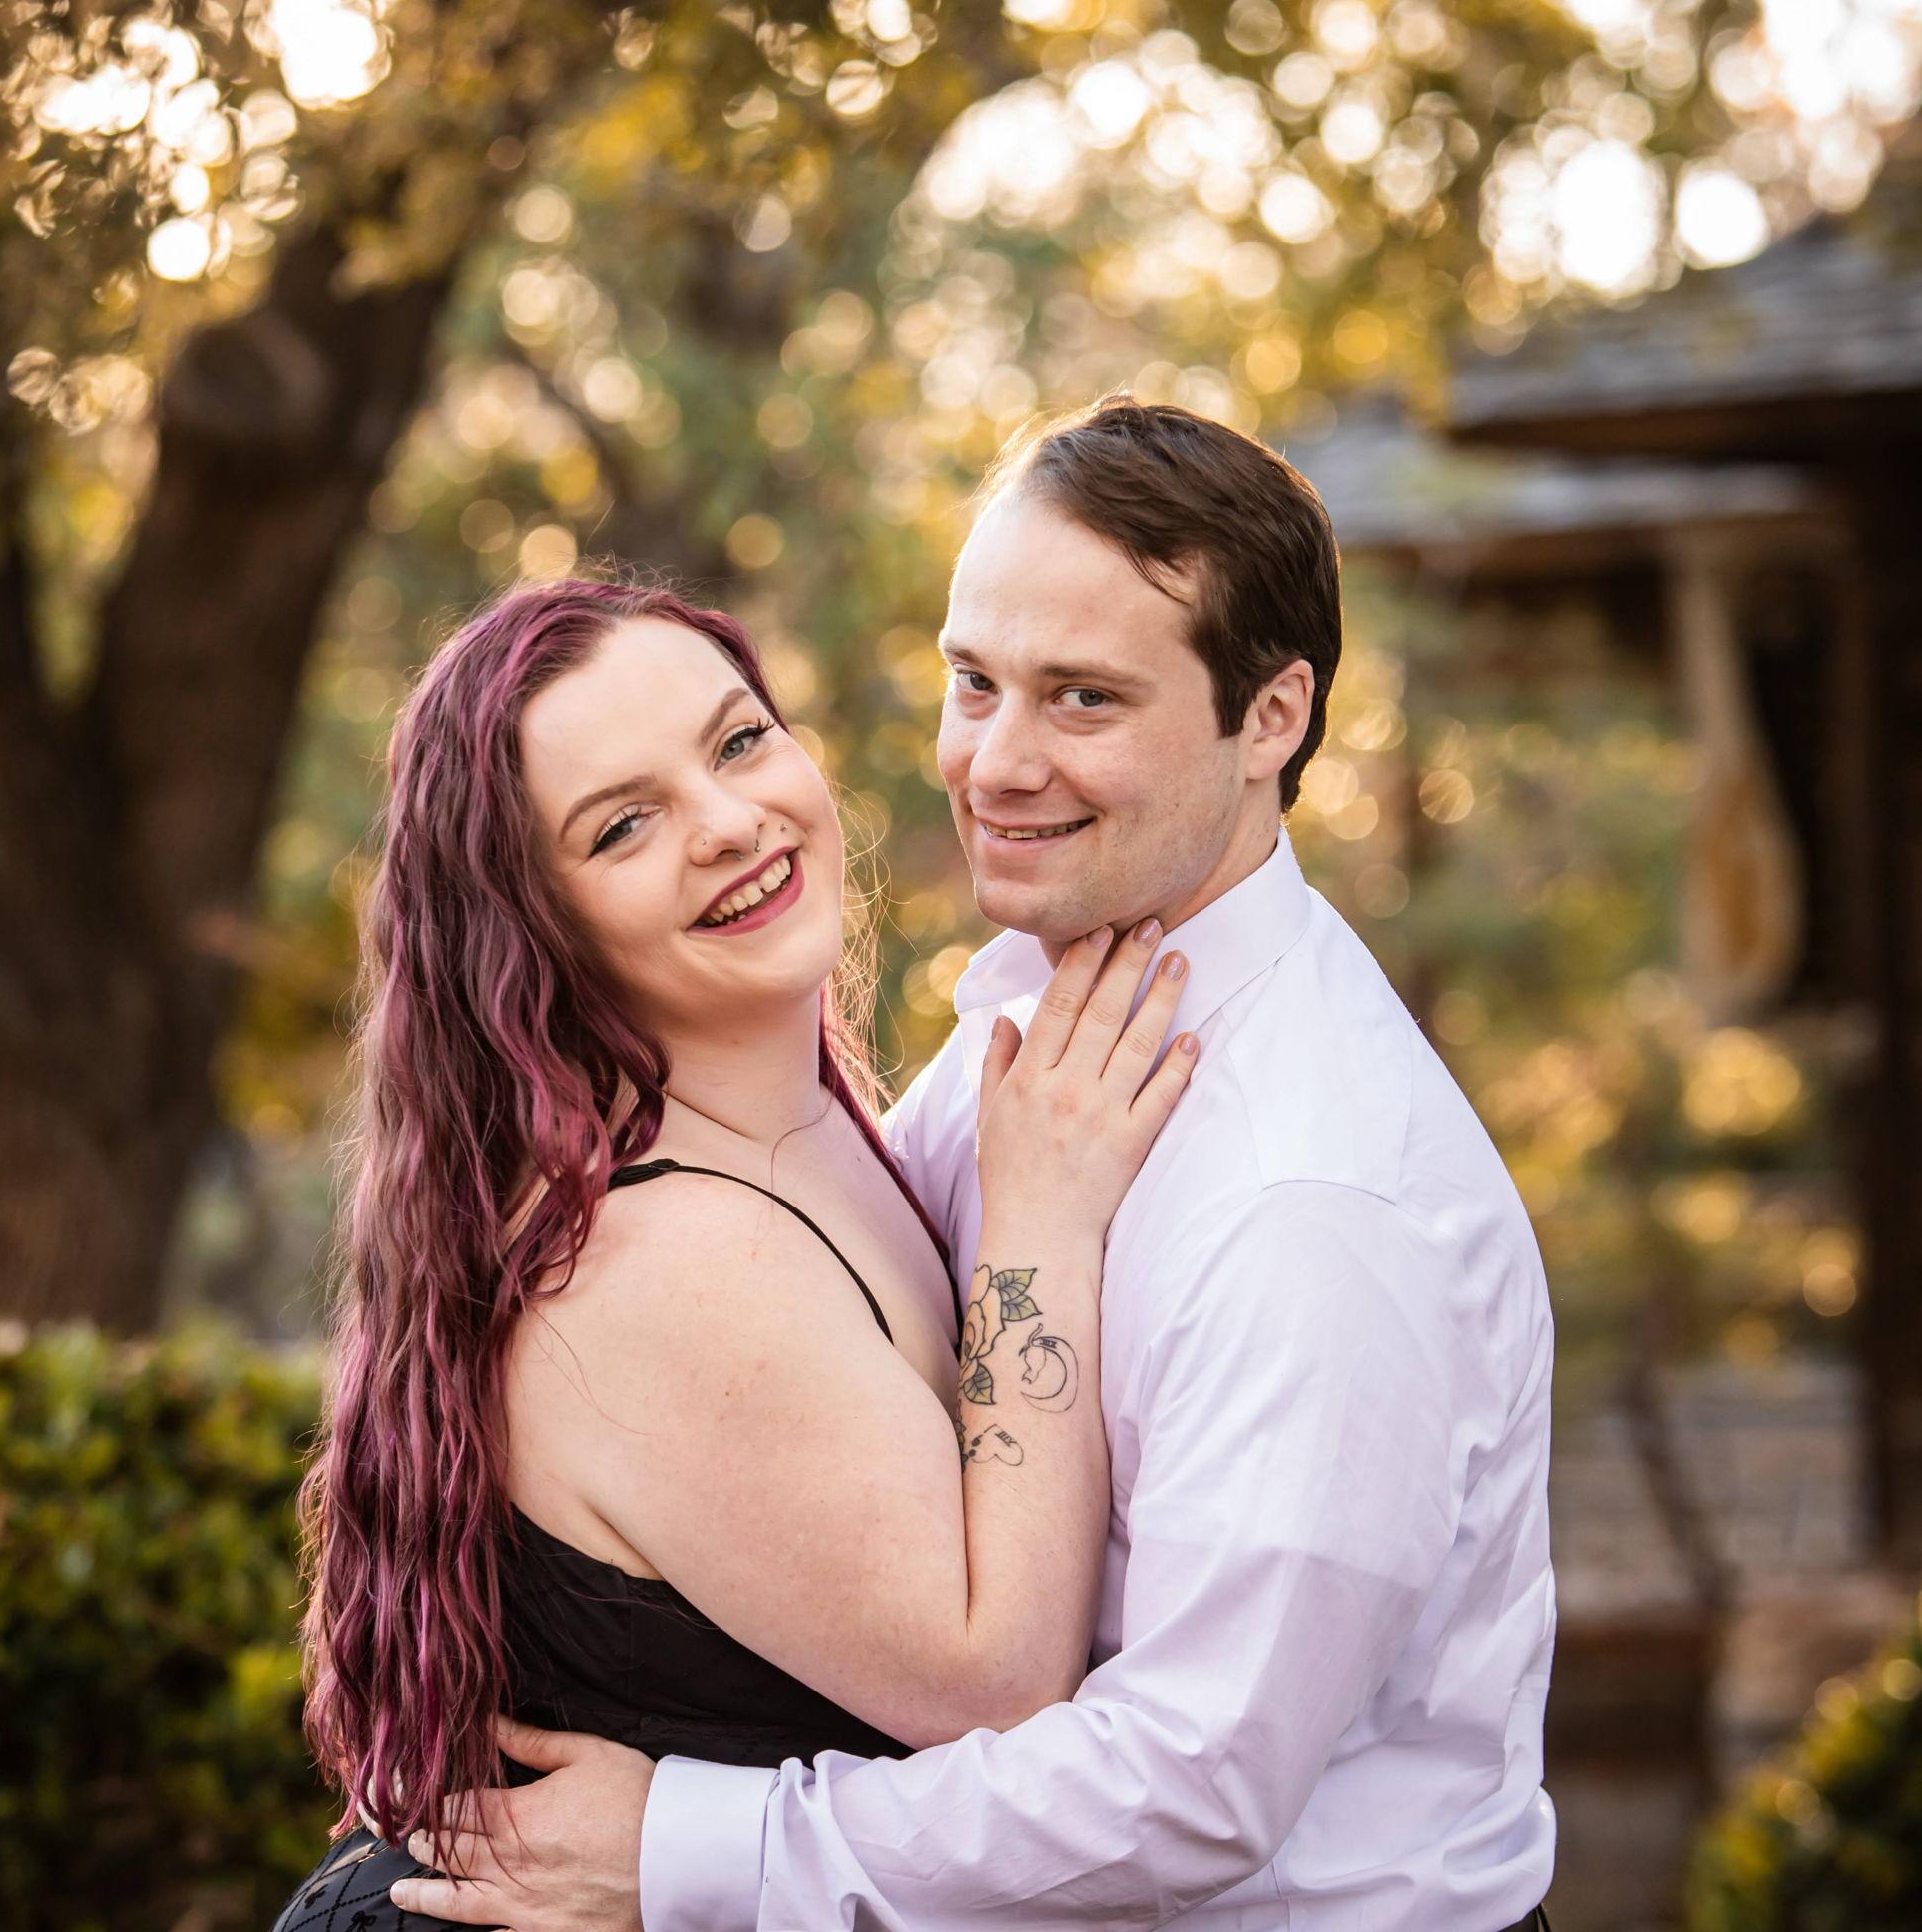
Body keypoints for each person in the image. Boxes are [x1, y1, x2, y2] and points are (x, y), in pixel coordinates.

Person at [388, 398, 1558, 1932]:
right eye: (973, 681)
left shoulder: (1310, 1203)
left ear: (1271, 718)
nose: (996, 763)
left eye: (1082, 699)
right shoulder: (1035, 1022)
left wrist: (690, 1847)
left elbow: (1193, 1782)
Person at [273, 575, 1201, 1932]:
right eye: (624, 825)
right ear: (539, 927)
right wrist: (1043, 1225)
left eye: (739, 742)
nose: (727, 824)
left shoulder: (812, 1125)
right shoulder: (666, 1259)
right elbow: (992, 1684)